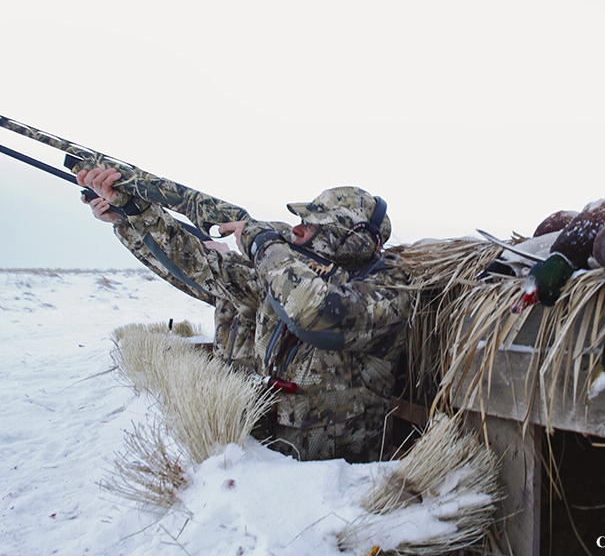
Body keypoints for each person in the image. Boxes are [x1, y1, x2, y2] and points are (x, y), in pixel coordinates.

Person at [78, 167, 412, 463]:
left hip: (340, 487)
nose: (297, 230)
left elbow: (317, 312)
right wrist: (134, 216)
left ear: (355, 239)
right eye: (300, 220)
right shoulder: (284, 275)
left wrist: (263, 243)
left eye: (312, 224)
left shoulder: (390, 289)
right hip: (264, 464)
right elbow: (197, 266)